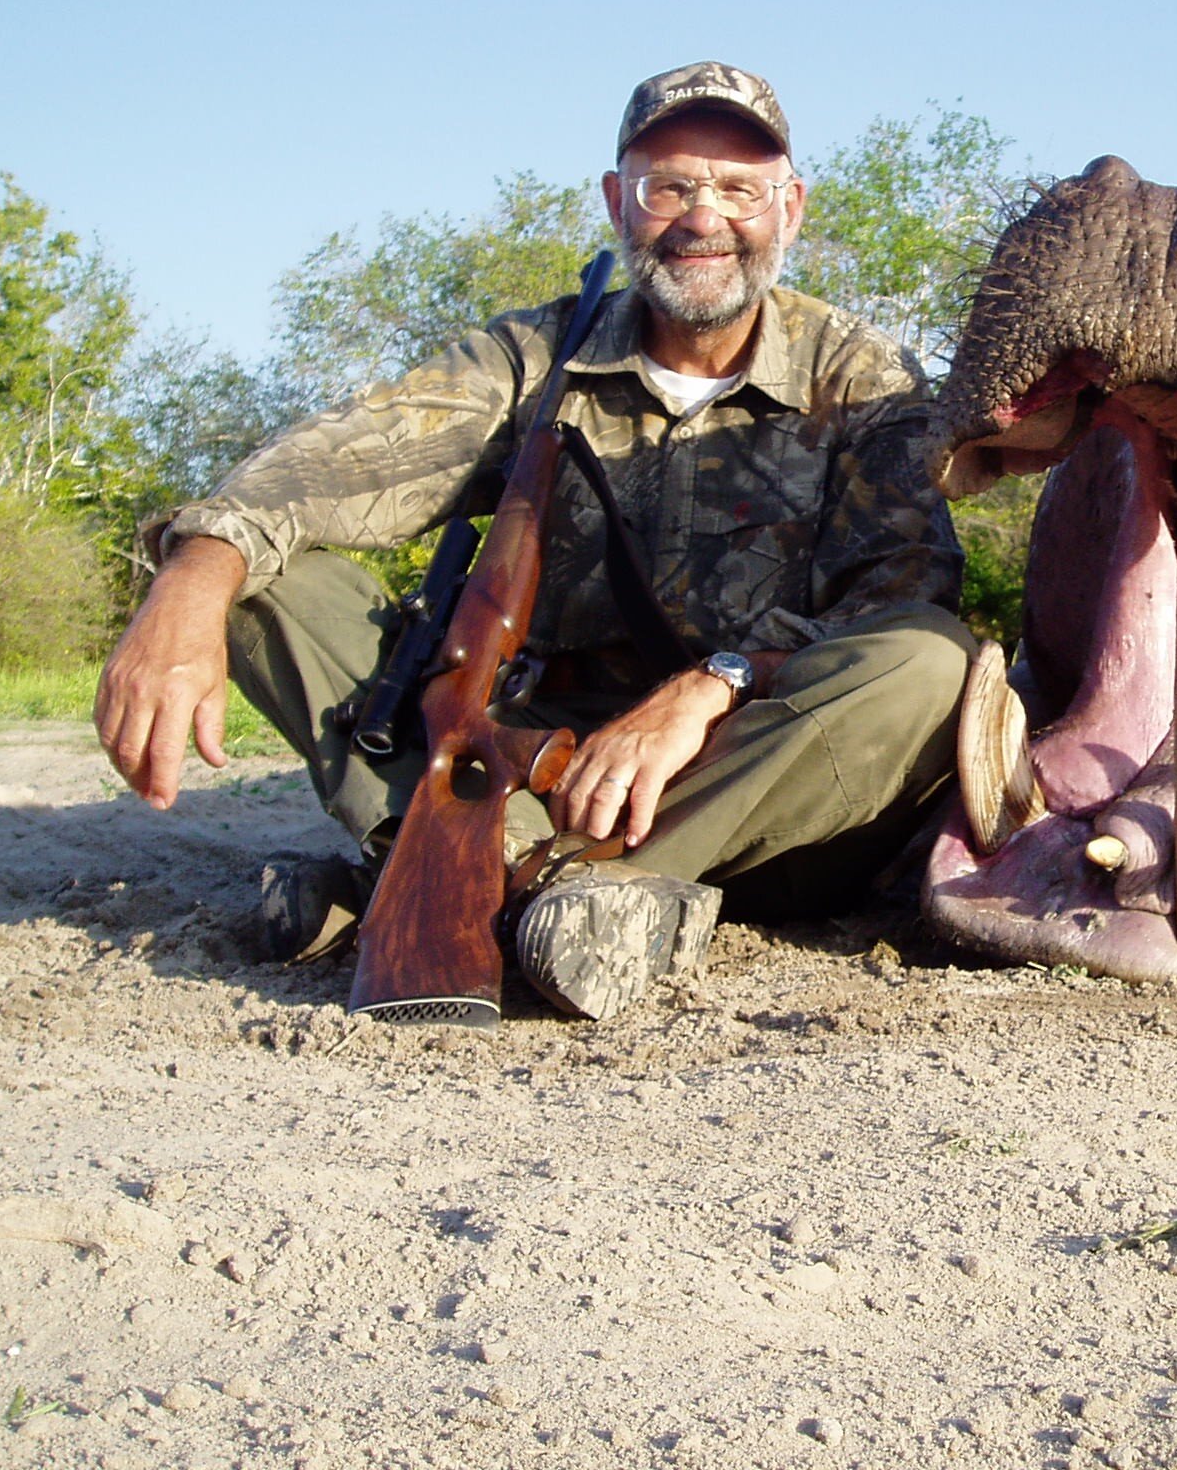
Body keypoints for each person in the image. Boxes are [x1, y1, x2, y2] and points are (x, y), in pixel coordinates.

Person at [94, 61, 974, 1018]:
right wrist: (193, 577)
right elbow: (333, 464)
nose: (703, 218)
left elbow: (899, 594)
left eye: (739, 190)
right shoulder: (529, 354)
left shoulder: (863, 368)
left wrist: (716, 684)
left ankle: (480, 878)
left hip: (741, 782)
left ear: (789, 208)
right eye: (669, 185)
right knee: (261, 580)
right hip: (519, 757)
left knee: (929, 660)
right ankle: (542, 886)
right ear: (616, 202)